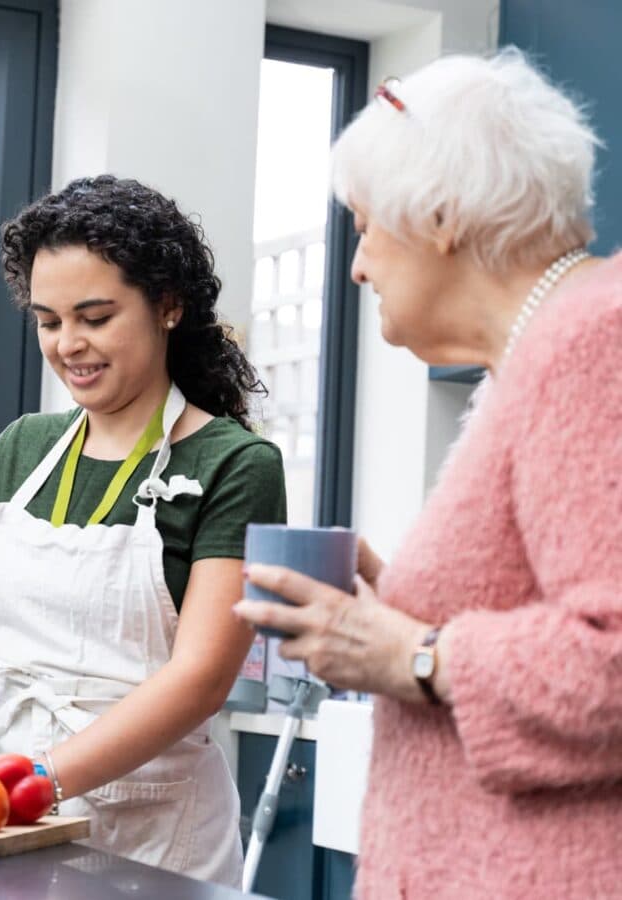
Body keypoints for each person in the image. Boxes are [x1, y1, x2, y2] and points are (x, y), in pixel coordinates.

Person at [232, 49, 622, 898]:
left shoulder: (595, 340)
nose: (358, 265)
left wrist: (410, 654)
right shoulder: (539, 357)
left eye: (366, 224)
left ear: (442, 215)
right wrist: (387, 621)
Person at [0, 175, 287, 883]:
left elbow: (200, 679)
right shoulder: (25, 447)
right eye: (49, 320)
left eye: (95, 316)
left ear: (169, 307)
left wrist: (38, 778)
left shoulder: (235, 464)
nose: (69, 345)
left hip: (150, 831)